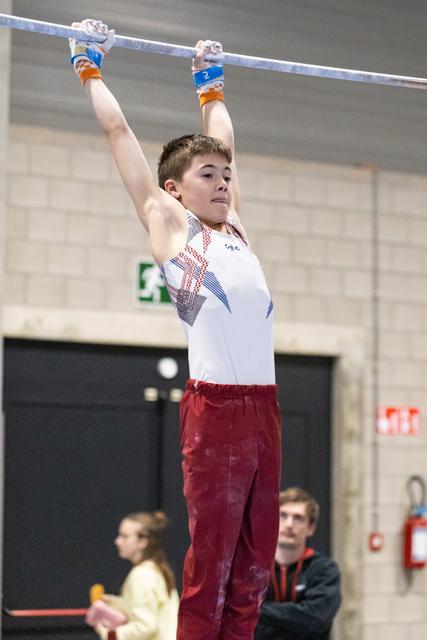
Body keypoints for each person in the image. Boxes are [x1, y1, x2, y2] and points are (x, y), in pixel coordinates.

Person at [69, 20, 281, 640]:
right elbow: (118, 133)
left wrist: (210, 86)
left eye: (226, 175)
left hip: (265, 410)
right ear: (174, 190)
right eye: (208, 176)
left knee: (252, 567)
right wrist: (89, 67)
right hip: (215, 412)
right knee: (211, 563)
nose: (222, 184)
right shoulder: (171, 225)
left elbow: (222, 139)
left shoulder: (235, 229)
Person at [255, 488, 341, 640]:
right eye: (283, 515)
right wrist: (296, 617)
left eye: (298, 518)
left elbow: (317, 618)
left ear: (311, 528)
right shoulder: (255, 569)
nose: (289, 524)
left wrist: (257, 610)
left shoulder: (324, 570)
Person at [88, 511, 179, 640]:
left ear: (143, 541)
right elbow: (150, 609)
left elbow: (146, 625)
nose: (117, 541)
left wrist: (110, 634)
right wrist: (113, 603)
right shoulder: (157, 570)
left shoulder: (141, 575)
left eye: (124, 536)